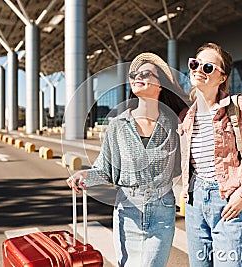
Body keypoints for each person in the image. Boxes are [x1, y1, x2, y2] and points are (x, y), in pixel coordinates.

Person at [66, 52, 188, 267]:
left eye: (146, 73)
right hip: (127, 209)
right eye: (134, 74)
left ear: (161, 85)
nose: (137, 77)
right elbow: (106, 170)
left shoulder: (174, 124)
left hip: (162, 210)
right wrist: (84, 175)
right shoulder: (118, 125)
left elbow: (186, 164)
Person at [178, 42, 242, 266]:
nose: (198, 70)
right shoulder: (187, 116)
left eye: (208, 67)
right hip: (195, 203)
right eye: (194, 64)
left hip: (228, 200)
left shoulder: (238, 106)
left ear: (222, 77)